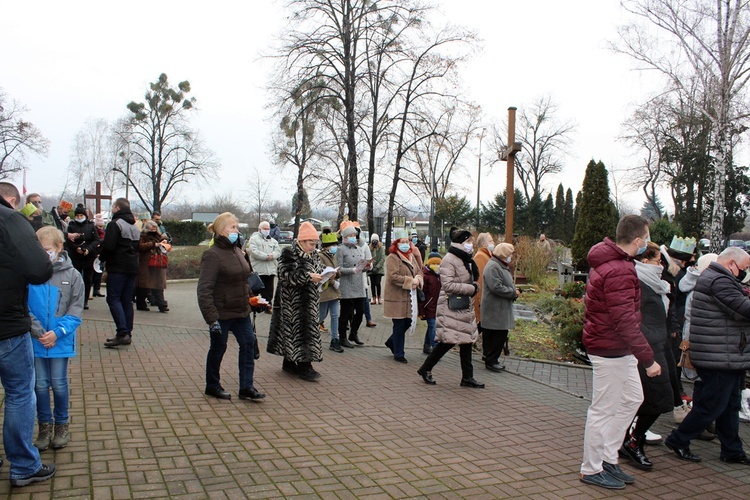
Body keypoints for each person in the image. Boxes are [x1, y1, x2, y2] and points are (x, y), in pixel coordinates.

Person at [579, 215, 660, 491]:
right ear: (638, 241)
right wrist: (648, 359)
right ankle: (591, 468)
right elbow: (624, 320)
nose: (647, 243)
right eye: (646, 238)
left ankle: (607, 457)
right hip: (610, 348)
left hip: (617, 347)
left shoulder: (617, 264)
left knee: (632, 398)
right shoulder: (619, 269)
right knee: (603, 409)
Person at [664, 247, 750, 465]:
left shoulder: (718, 278)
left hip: (725, 353)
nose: (744, 274)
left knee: (730, 404)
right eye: (744, 269)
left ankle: (732, 449)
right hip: (719, 354)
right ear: (731, 264)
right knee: (712, 405)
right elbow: (743, 309)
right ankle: (679, 439)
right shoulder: (719, 281)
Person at [0, 181, 57, 486]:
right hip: (7, 325)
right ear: (12, 200)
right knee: (20, 393)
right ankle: (23, 465)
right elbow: (39, 269)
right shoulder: (9, 219)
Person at [618, 242, 673, 471]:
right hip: (645, 349)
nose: (661, 265)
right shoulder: (638, 282)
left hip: (659, 345)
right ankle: (632, 441)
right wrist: (648, 345)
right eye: (658, 260)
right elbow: (633, 320)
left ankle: (628, 440)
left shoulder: (656, 284)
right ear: (646, 261)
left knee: (653, 398)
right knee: (656, 397)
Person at [197, 212, 264, 401]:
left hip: (241, 310)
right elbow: (204, 289)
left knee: (248, 344)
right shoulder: (212, 255)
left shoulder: (237, 250)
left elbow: (243, 280)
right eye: (233, 227)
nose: (237, 230)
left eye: (237, 227)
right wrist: (211, 319)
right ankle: (212, 385)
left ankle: (246, 387)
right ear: (221, 230)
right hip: (221, 312)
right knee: (218, 348)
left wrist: (254, 299)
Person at [29, 226, 84, 451]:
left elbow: (76, 307)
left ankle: (62, 425)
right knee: (40, 386)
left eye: (47, 249)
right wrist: (39, 332)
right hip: (37, 341)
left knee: (59, 384)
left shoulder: (73, 275)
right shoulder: (30, 273)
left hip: (60, 341)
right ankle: (44, 427)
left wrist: (58, 333)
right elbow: (23, 305)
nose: (44, 254)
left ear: (59, 247)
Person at [417, 227, 484, 388]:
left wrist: (474, 286)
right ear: (460, 242)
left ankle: (467, 377)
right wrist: (471, 288)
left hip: (463, 305)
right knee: (448, 341)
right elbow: (447, 285)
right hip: (451, 306)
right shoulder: (450, 259)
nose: (471, 245)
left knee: (466, 341)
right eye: (468, 241)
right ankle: (425, 368)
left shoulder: (465, 258)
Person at [267, 221, 325, 380]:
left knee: (299, 333)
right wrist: (307, 277)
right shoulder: (288, 253)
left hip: (310, 301)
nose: (313, 247)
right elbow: (285, 275)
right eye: (311, 243)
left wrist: (326, 274)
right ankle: (305, 367)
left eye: (315, 243)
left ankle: (289, 363)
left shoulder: (313, 254)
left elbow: (318, 269)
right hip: (293, 303)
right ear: (302, 241)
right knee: (298, 333)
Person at [99, 198, 140, 348]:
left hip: (118, 267)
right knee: (126, 300)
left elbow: (109, 247)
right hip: (133, 267)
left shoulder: (115, 224)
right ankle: (127, 332)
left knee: (114, 299)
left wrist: (101, 258)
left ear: (116, 208)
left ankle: (122, 332)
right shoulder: (134, 226)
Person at [384, 228, 423, 363]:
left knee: (408, 322)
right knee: (399, 324)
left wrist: (418, 280)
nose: (406, 244)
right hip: (397, 297)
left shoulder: (411, 257)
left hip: (409, 297)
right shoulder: (392, 258)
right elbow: (393, 276)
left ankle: (391, 342)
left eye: (407, 242)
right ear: (396, 244)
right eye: (402, 242)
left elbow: (419, 271)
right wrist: (410, 281)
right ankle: (399, 353)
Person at [480, 243, 517, 373]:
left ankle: (491, 358)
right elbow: (496, 287)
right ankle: (491, 360)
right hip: (495, 308)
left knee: (497, 334)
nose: (511, 257)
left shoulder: (500, 265)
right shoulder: (493, 267)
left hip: (499, 307)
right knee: (496, 335)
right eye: (509, 254)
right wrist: (513, 292)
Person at [65, 203, 101, 310]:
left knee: (87, 279)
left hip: (89, 256)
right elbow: (68, 240)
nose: (79, 218)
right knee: (75, 278)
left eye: (81, 216)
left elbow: (96, 240)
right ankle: (74, 300)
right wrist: (76, 248)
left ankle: (85, 300)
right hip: (76, 256)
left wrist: (88, 249)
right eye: (78, 216)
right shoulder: (71, 226)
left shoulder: (91, 226)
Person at [337, 222, 367, 348]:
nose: (354, 237)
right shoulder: (340, 249)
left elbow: (361, 266)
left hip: (358, 285)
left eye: (355, 235)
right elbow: (337, 268)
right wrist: (351, 270)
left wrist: (366, 267)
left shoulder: (359, 249)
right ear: (345, 236)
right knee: (346, 313)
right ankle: (342, 337)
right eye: (351, 235)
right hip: (347, 285)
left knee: (361, 311)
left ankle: (353, 333)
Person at [136, 220, 170, 313]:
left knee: (158, 286)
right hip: (146, 264)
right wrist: (153, 244)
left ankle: (162, 304)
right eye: (152, 228)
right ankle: (141, 304)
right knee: (144, 286)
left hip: (157, 263)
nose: (154, 230)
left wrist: (163, 243)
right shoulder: (142, 236)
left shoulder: (158, 236)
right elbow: (140, 246)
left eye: (155, 228)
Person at [318, 229, 342, 352]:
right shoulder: (320, 256)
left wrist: (337, 273)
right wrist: (332, 280)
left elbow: (337, 271)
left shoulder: (333, 256)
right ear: (327, 246)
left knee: (335, 315)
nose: (335, 247)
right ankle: (311, 334)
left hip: (333, 291)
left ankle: (334, 339)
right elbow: (320, 273)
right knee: (321, 315)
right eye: (333, 245)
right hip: (326, 290)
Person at [247, 221, 281, 308]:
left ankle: (268, 305)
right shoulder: (253, 239)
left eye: (268, 229)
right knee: (257, 288)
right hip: (259, 269)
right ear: (259, 229)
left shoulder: (273, 241)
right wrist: (266, 256)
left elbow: (278, 251)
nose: (267, 230)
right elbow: (254, 252)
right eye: (264, 229)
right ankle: (255, 305)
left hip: (270, 269)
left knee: (269, 289)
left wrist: (272, 255)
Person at [473, 233, 495, 350]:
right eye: (490, 241)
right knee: (481, 323)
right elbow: (480, 280)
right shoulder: (481, 257)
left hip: (486, 298)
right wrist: (481, 299)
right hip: (483, 298)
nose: (493, 243)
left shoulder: (487, 255)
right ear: (483, 244)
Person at [418, 250, 441, 354]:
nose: (436, 266)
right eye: (433, 264)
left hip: (438, 306)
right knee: (433, 326)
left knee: (432, 326)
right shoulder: (426, 276)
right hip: (428, 307)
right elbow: (422, 295)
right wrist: (421, 311)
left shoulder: (440, 276)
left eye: (438, 264)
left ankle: (427, 345)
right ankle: (435, 346)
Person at [91, 214, 106, 297]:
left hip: (101, 253)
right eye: (99, 226)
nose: (100, 228)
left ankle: (97, 289)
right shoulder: (94, 231)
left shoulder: (104, 232)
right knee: (94, 273)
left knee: (100, 272)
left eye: (101, 226)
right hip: (95, 253)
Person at [369, 233, 385, 305]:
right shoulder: (369, 248)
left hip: (379, 269)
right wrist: (371, 266)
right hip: (371, 269)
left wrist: (377, 267)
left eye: (376, 240)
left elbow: (382, 258)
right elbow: (368, 257)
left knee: (378, 283)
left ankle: (379, 296)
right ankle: (373, 297)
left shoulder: (381, 248)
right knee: (372, 283)